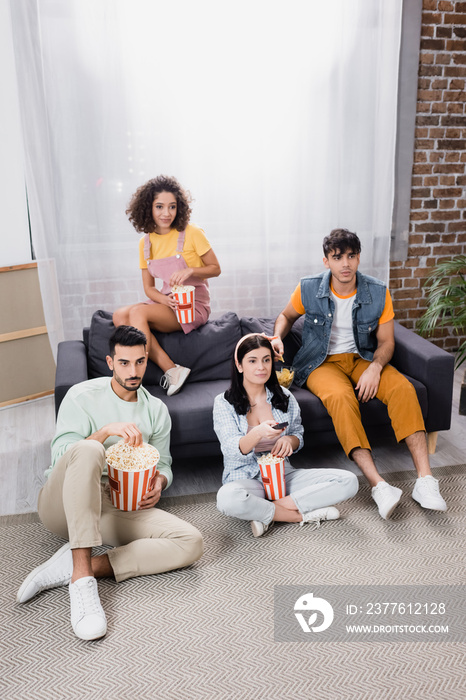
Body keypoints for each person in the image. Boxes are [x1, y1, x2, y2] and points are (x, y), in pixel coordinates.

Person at [16, 326, 204, 641]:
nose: (133, 371)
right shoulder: (81, 396)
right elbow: (62, 455)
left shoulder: (156, 410)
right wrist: (104, 432)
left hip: (116, 504)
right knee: (88, 449)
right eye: (124, 362)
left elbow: (166, 463)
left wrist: (159, 481)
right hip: (62, 504)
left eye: (140, 362)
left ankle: (86, 565)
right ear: (110, 362)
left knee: (191, 542)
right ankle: (82, 582)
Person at [272, 228, 448, 520]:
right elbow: (286, 316)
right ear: (326, 260)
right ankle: (379, 486)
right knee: (341, 398)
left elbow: (387, 342)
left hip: (365, 359)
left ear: (358, 258)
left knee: (403, 389)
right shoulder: (308, 288)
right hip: (321, 363)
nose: (345, 264)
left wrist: (376, 368)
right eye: (337, 257)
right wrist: (278, 336)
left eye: (351, 256)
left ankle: (425, 481)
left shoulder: (377, 292)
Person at [213, 334, 359, 537]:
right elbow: (231, 450)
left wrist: (289, 440)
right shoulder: (223, 402)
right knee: (227, 498)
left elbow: (298, 434)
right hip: (246, 479)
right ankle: (299, 515)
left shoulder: (285, 396)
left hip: (283, 476)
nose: (261, 367)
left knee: (349, 481)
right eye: (252, 361)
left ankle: (267, 512)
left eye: (266, 360)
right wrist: (258, 433)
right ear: (239, 365)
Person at [113, 175, 221, 396]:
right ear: (148, 208)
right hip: (165, 300)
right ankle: (173, 370)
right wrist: (164, 299)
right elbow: (149, 289)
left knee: (137, 313)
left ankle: (141, 380)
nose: (166, 213)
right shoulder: (146, 244)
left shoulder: (192, 233)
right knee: (119, 316)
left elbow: (215, 268)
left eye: (172, 206)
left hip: (192, 305)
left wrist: (191, 270)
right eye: (159, 206)